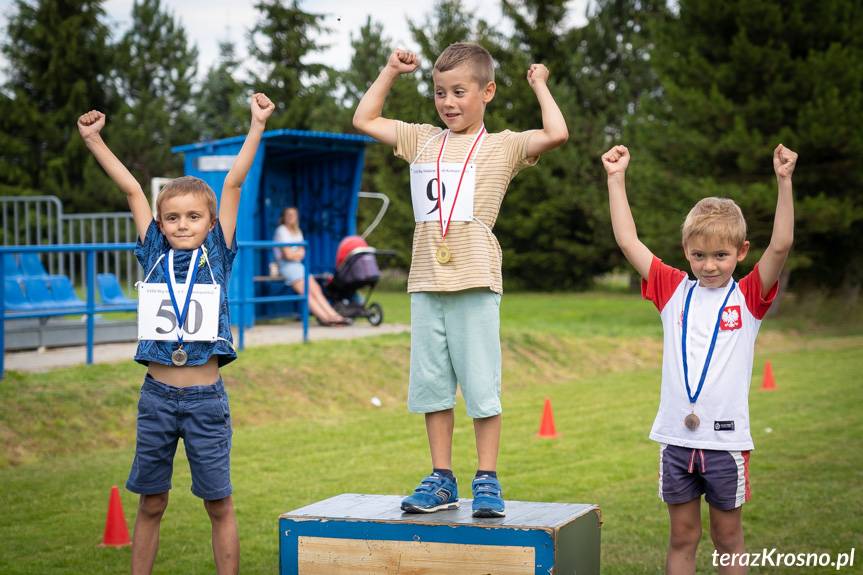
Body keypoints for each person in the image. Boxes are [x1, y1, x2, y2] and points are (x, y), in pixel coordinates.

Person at [353, 43, 568, 517]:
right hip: (426, 283)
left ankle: (487, 479)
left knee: (481, 388)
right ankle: (442, 477)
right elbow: (365, 119)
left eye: (459, 92)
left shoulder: (503, 145)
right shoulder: (422, 140)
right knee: (432, 388)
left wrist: (540, 85)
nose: (448, 102)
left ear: (487, 91)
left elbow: (557, 132)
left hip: (475, 281)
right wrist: (390, 70)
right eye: (439, 93)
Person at [77, 92, 275, 575]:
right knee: (150, 502)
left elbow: (233, 183)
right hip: (157, 398)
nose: (181, 224)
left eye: (193, 217)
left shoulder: (218, 256)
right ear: (160, 224)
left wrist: (257, 125)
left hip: (207, 401)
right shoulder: (152, 253)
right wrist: (92, 139)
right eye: (172, 217)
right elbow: (130, 190)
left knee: (219, 504)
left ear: (209, 224)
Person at [601, 143, 797, 574]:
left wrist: (784, 181)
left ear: (742, 252)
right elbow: (627, 240)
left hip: (725, 445)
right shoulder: (673, 290)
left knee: (728, 539)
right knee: (682, 538)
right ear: (686, 250)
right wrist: (616, 179)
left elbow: (781, 246)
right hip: (676, 440)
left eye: (721, 255)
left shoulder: (746, 296)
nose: (709, 266)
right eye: (699, 255)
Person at [272, 207, 349, 325]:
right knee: (306, 292)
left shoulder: (298, 231)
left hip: (298, 265)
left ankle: (334, 315)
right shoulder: (281, 230)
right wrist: (294, 253)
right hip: (286, 267)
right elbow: (287, 255)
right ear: (284, 217)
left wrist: (294, 253)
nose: (291, 217)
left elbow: (302, 253)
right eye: (288, 214)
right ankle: (325, 318)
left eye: (293, 214)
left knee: (316, 290)